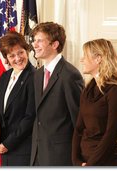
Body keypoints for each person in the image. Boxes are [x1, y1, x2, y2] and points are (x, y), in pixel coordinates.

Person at [30, 22, 84, 166]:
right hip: (37, 154)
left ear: (54, 45)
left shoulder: (70, 75)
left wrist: (80, 157)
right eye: (34, 40)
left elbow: (79, 119)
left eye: (39, 40)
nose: (34, 45)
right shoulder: (37, 74)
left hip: (61, 156)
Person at [72, 39, 117, 166]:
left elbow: (111, 135)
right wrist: (76, 160)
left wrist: (91, 165)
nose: (82, 60)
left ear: (98, 58)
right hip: (84, 160)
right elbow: (79, 128)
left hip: (106, 162)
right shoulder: (88, 89)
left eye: (85, 56)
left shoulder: (116, 91)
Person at [0, 31, 36, 166]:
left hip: (22, 149)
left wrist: (8, 143)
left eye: (21, 52)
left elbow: (30, 117)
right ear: (6, 59)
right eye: (12, 55)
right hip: (4, 148)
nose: (18, 58)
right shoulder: (5, 77)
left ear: (27, 51)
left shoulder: (34, 77)